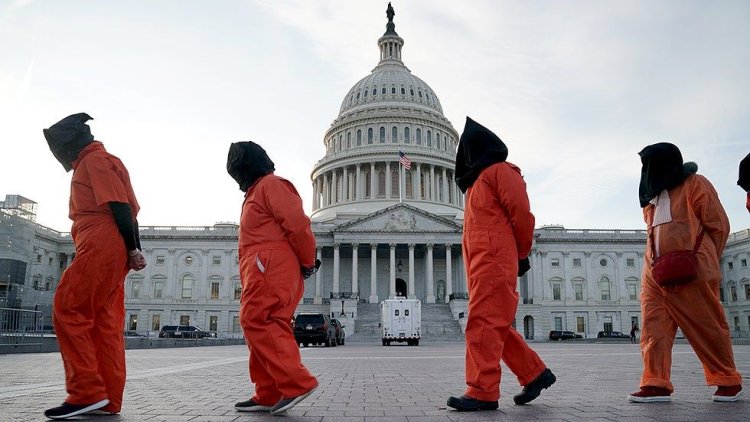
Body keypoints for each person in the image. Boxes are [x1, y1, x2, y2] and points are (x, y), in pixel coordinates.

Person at [447, 117, 556, 412]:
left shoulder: (499, 172)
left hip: (495, 259)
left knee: (482, 323)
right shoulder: (478, 184)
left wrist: (522, 254)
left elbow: (522, 215)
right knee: (494, 324)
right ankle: (535, 373)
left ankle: (482, 390)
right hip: (482, 262)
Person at [42, 113, 146, 420]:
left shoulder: (94, 161)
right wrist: (133, 249)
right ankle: (106, 399)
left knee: (68, 307)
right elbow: (129, 211)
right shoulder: (105, 160)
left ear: (70, 145)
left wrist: (132, 248)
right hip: (111, 242)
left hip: (100, 240)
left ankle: (87, 391)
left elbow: (119, 207)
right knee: (104, 322)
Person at [628, 142, 742, 403]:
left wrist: (705, 259)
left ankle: (727, 379)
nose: (644, 171)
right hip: (655, 274)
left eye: (648, 165)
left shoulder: (695, 184)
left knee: (707, 325)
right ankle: (655, 382)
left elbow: (719, 226)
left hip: (692, 270)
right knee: (652, 330)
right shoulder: (652, 198)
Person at [227, 141, 320, 415]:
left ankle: (296, 383)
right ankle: (267, 392)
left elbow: (298, 225)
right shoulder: (257, 191)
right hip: (259, 267)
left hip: (270, 266)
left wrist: (308, 262)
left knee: (261, 320)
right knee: (254, 322)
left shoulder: (271, 185)